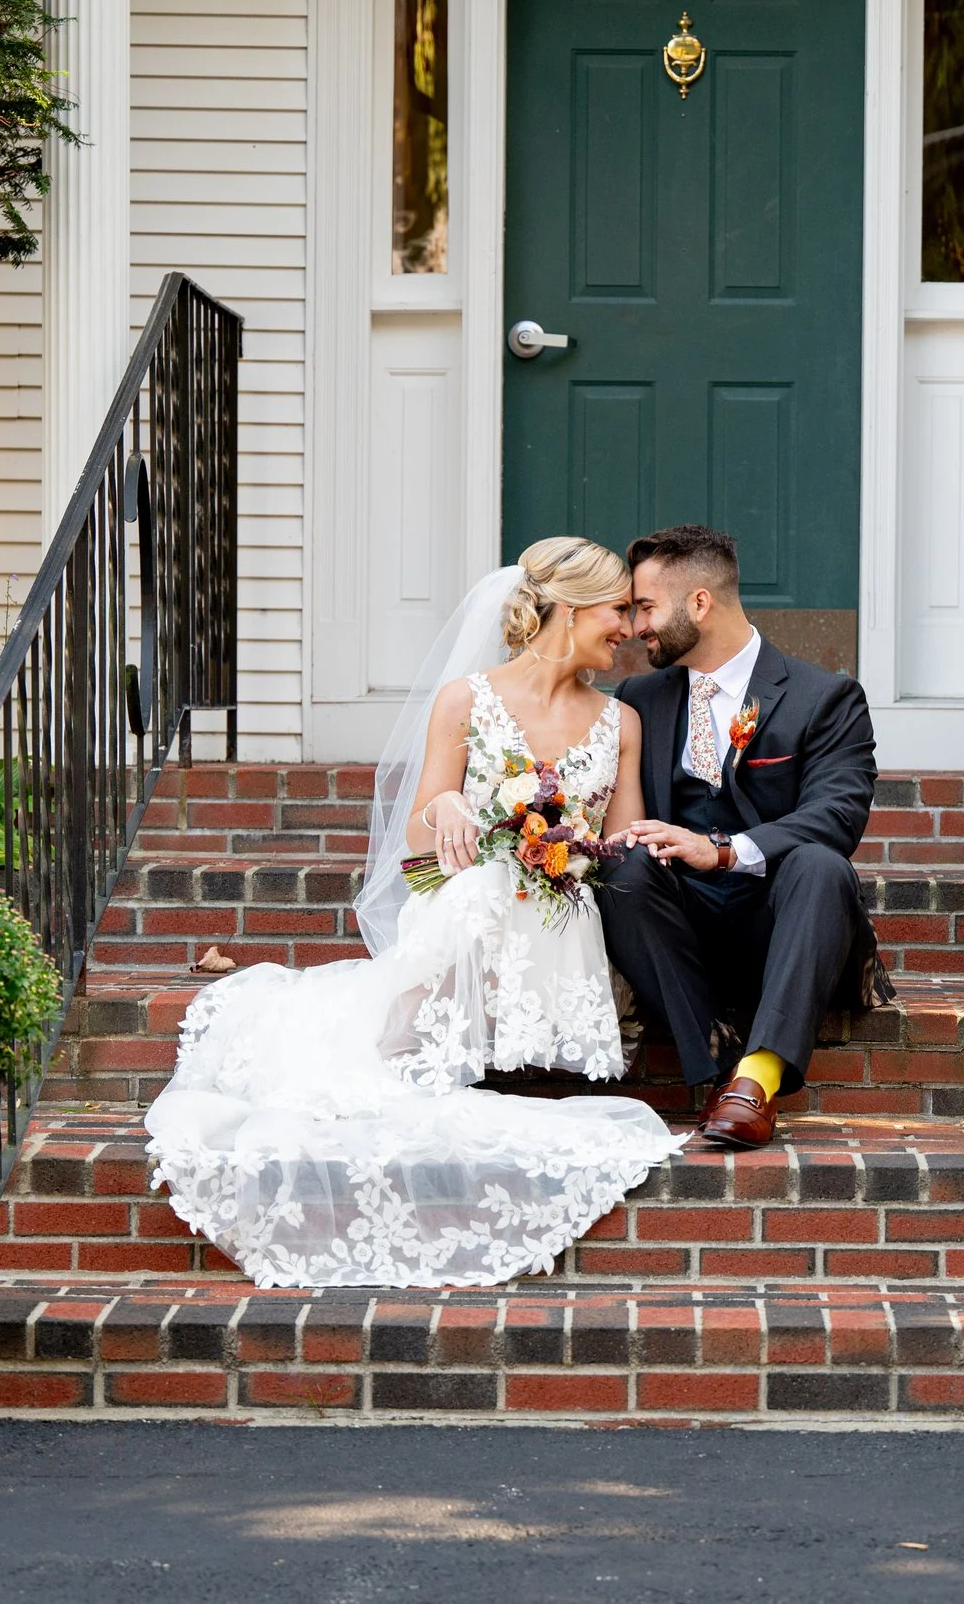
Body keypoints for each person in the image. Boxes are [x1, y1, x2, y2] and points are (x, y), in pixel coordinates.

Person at [142, 537, 683, 1289]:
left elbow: (620, 843)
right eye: (618, 608)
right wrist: (454, 806)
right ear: (569, 608)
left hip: (561, 917)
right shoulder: (468, 699)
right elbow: (417, 834)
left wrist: (566, 847)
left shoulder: (620, 722)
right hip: (471, 901)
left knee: (517, 888)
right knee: (487, 888)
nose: (627, 626)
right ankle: (408, 1042)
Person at [602, 525, 894, 1150]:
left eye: (646, 607)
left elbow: (839, 815)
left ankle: (756, 1082)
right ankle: (717, 1068)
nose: (633, 627)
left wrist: (728, 850)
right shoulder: (638, 699)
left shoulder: (825, 698)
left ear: (700, 603)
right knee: (622, 868)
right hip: (678, 931)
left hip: (783, 922)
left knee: (821, 866)